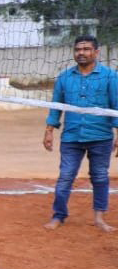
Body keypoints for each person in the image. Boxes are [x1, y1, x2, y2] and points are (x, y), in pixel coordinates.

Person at [44, 35, 118, 231]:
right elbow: (55, 106)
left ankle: (99, 218)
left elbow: (116, 105)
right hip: (71, 136)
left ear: (96, 52)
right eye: (78, 49)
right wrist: (49, 131)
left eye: (86, 49)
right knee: (66, 176)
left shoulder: (110, 76)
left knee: (100, 176)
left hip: (101, 136)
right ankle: (59, 216)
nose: (81, 53)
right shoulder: (65, 77)